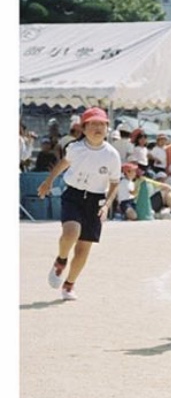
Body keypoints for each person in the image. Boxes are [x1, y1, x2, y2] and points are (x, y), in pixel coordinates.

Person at [37, 107, 122, 301]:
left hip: (96, 201)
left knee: (83, 249)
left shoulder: (112, 155)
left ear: (107, 128)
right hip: (74, 195)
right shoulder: (75, 148)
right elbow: (63, 164)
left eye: (102, 124)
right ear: (84, 128)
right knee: (71, 233)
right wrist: (48, 182)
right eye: (93, 124)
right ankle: (60, 261)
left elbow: (115, 182)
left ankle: (69, 285)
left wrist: (107, 204)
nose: (98, 128)